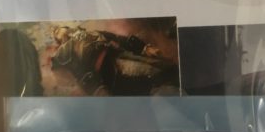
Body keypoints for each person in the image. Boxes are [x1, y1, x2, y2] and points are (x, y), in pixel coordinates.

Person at [51, 25, 179, 95]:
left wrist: (144, 48)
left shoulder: (91, 34)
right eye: (57, 33)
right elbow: (80, 75)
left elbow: (117, 38)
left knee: (162, 69)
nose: (62, 32)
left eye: (62, 30)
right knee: (153, 82)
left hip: (120, 57)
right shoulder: (64, 55)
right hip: (111, 75)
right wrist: (97, 90)